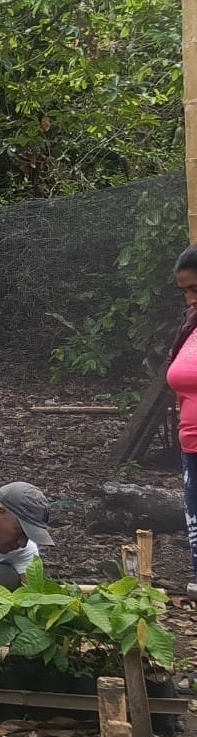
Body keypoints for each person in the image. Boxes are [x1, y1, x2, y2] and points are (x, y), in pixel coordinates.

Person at [168, 244, 197, 595]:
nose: (190, 299)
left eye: (196, 289)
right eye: (185, 291)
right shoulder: (191, 328)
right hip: (191, 449)